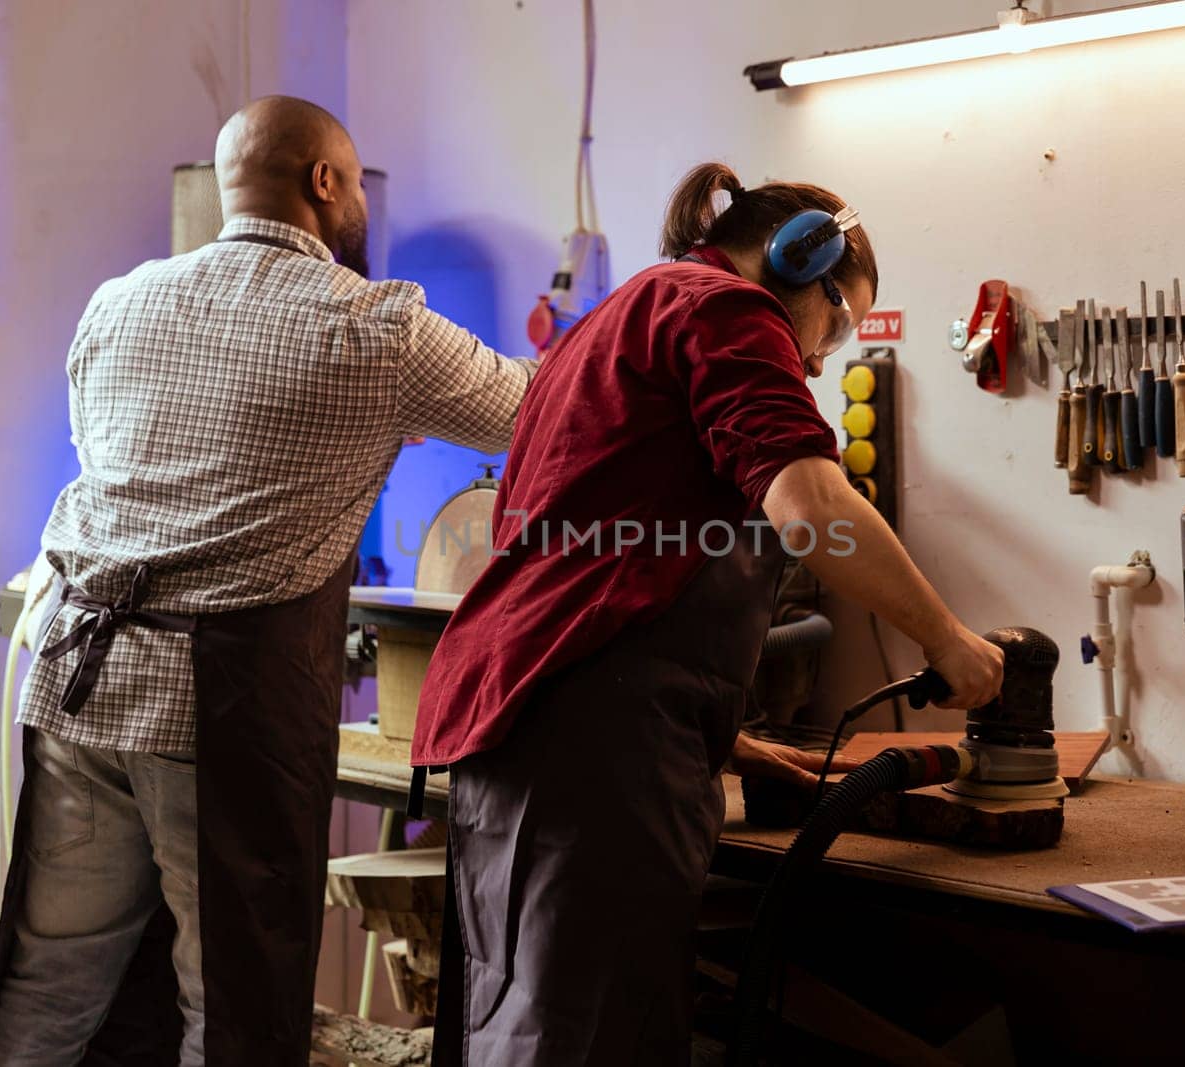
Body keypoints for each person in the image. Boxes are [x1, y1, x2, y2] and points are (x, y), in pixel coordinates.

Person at [0, 95, 535, 1066]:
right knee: (229, 1002)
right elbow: (544, 416)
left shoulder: (120, 299)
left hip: (76, 683)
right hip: (212, 709)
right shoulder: (380, 326)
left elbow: (128, 466)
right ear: (323, 182)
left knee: (51, 980)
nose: (359, 202)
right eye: (354, 182)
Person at [411, 162, 1005, 1065]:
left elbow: (603, 553)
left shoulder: (615, 320)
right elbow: (813, 513)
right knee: (580, 1042)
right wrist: (949, 640)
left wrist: (713, 736)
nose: (816, 359)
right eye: (836, 323)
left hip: (543, 731)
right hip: (584, 757)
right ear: (804, 260)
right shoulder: (725, 311)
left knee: (535, 1030)